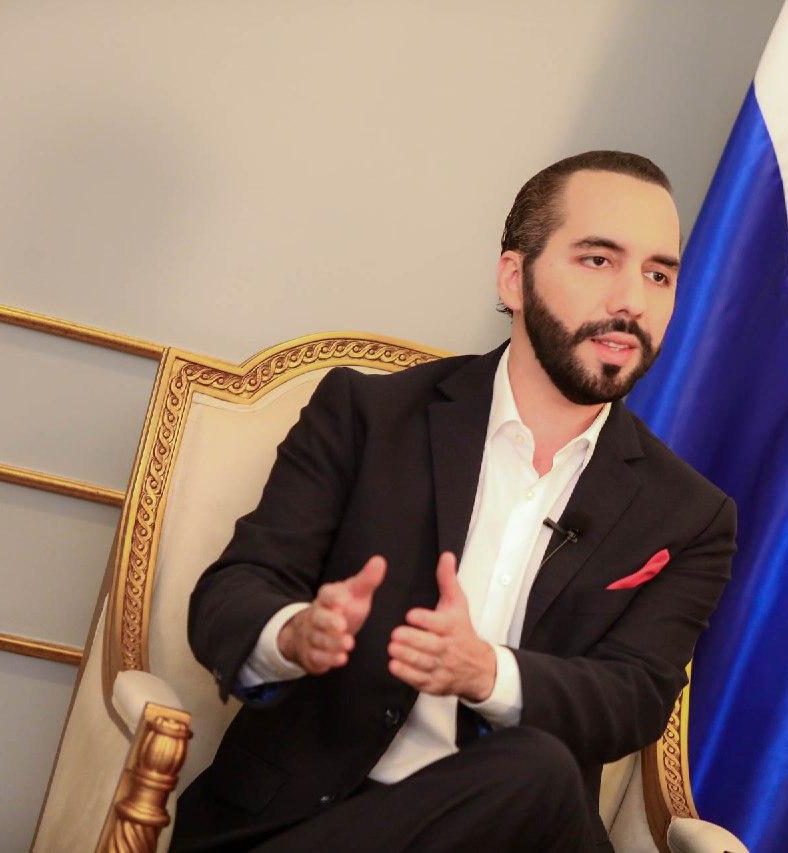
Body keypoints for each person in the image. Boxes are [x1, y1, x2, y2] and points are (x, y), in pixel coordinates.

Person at [171, 150, 737, 852]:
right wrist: (294, 633)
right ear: (514, 278)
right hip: (311, 823)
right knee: (539, 768)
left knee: (536, 769)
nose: (633, 301)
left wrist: (486, 673)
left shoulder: (689, 515)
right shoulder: (368, 416)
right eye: (598, 260)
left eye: (659, 274)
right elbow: (231, 593)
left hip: (514, 832)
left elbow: (635, 698)